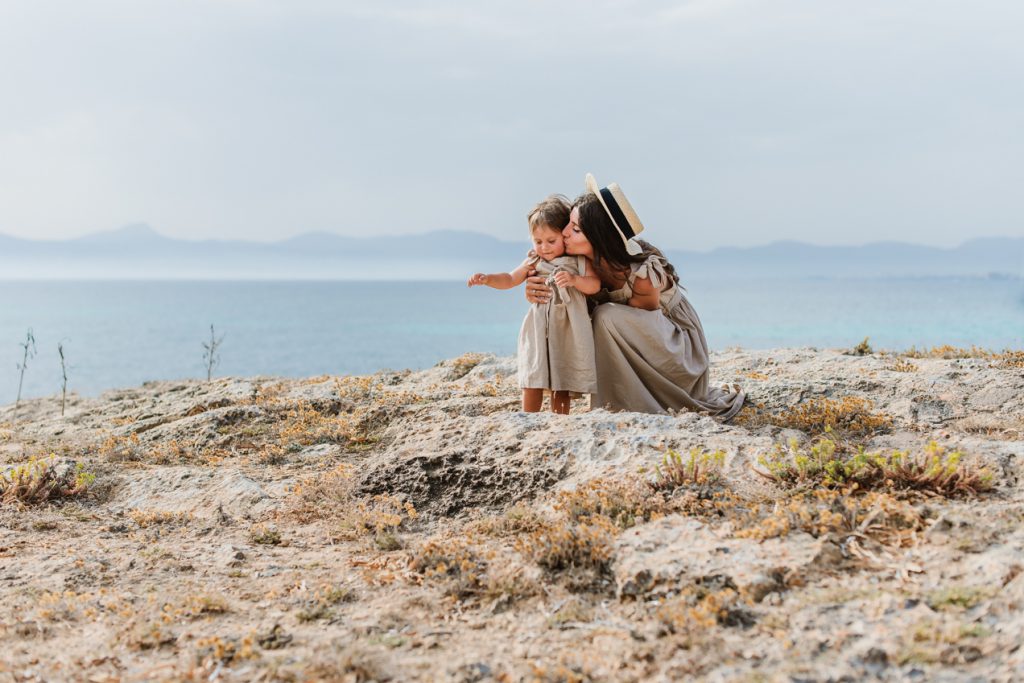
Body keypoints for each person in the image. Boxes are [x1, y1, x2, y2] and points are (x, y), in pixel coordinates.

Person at [525, 174, 745, 420]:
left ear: (599, 237)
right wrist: (539, 289)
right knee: (602, 317)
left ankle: (620, 400)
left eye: (575, 229)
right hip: (638, 334)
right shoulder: (576, 263)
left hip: (673, 344)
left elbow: (646, 331)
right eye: (568, 224)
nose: (564, 233)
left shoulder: (642, 276)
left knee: (606, 316)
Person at [468, 195, 601, 414]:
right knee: (533, 375)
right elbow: (510, 279)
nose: (544, 247)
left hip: (568, 330)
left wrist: (575, 280)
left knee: (562, 379)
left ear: (564, 235)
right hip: (538, 328)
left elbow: (594, 285)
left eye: (551, 241)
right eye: (538, 242)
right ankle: (528, 417)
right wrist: (488, 279)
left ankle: (560, 419)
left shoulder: (578, 262)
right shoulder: (534, 260)